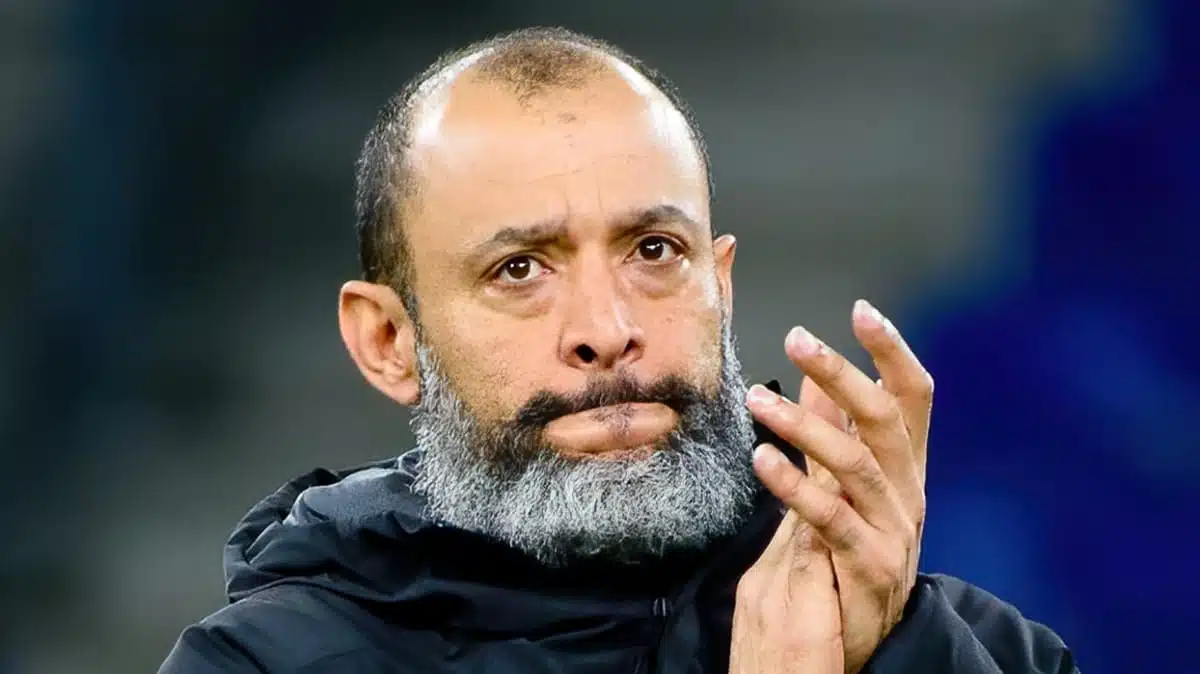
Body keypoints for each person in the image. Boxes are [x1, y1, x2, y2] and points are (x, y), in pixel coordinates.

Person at [159, 26, 1078, 674]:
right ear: (389, 341)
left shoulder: (986, 651)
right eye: (520, 269)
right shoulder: (264, 664)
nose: (605, 328)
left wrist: (903, 654)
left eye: (654, 251)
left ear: (720, 285)